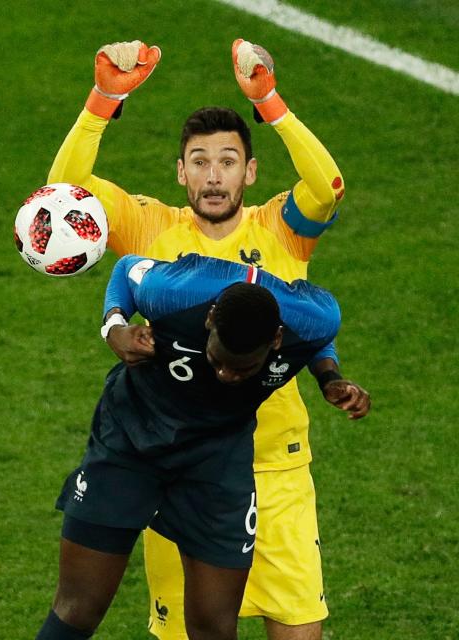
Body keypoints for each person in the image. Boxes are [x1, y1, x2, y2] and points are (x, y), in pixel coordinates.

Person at [47, 39, 355, 640]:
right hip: (181, 467)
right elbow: (62, 196)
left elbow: (329, 186)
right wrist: (105, 98)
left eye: (228, 161)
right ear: (180, 170)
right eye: (200, 161)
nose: (214, 176)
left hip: (278, 467)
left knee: (299, 630)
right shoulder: (149, 226)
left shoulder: (282, 229)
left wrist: (268, 101)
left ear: (250, 170)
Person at [35, 253, 370, 640]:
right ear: (209, 320)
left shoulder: (316, 315)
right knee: (79, 607)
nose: (227, 375)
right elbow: (126, 268)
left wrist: (330, 378)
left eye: (244, 369)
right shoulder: (173, 293)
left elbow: (316, 339)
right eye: (217, 360)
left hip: (217, 462)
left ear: (276, 339)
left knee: (213, 628)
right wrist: (114, 328)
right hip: (131, 442)